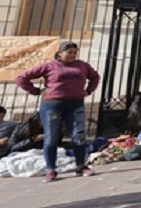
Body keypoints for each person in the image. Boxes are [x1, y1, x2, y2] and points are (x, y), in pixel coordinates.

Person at [15, 41, 100, 182]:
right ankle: (51, 169)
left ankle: (81, 166)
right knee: (51, 136)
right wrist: (35, 91)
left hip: (75, 104)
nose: (72, 55)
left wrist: (89, 90)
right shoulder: (49, 65)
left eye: (74, 52)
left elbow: (95, 77)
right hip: (52, 105)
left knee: (79, 135)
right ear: (60, 53)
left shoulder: (82, 65)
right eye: (69, 52)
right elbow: (21, 78)